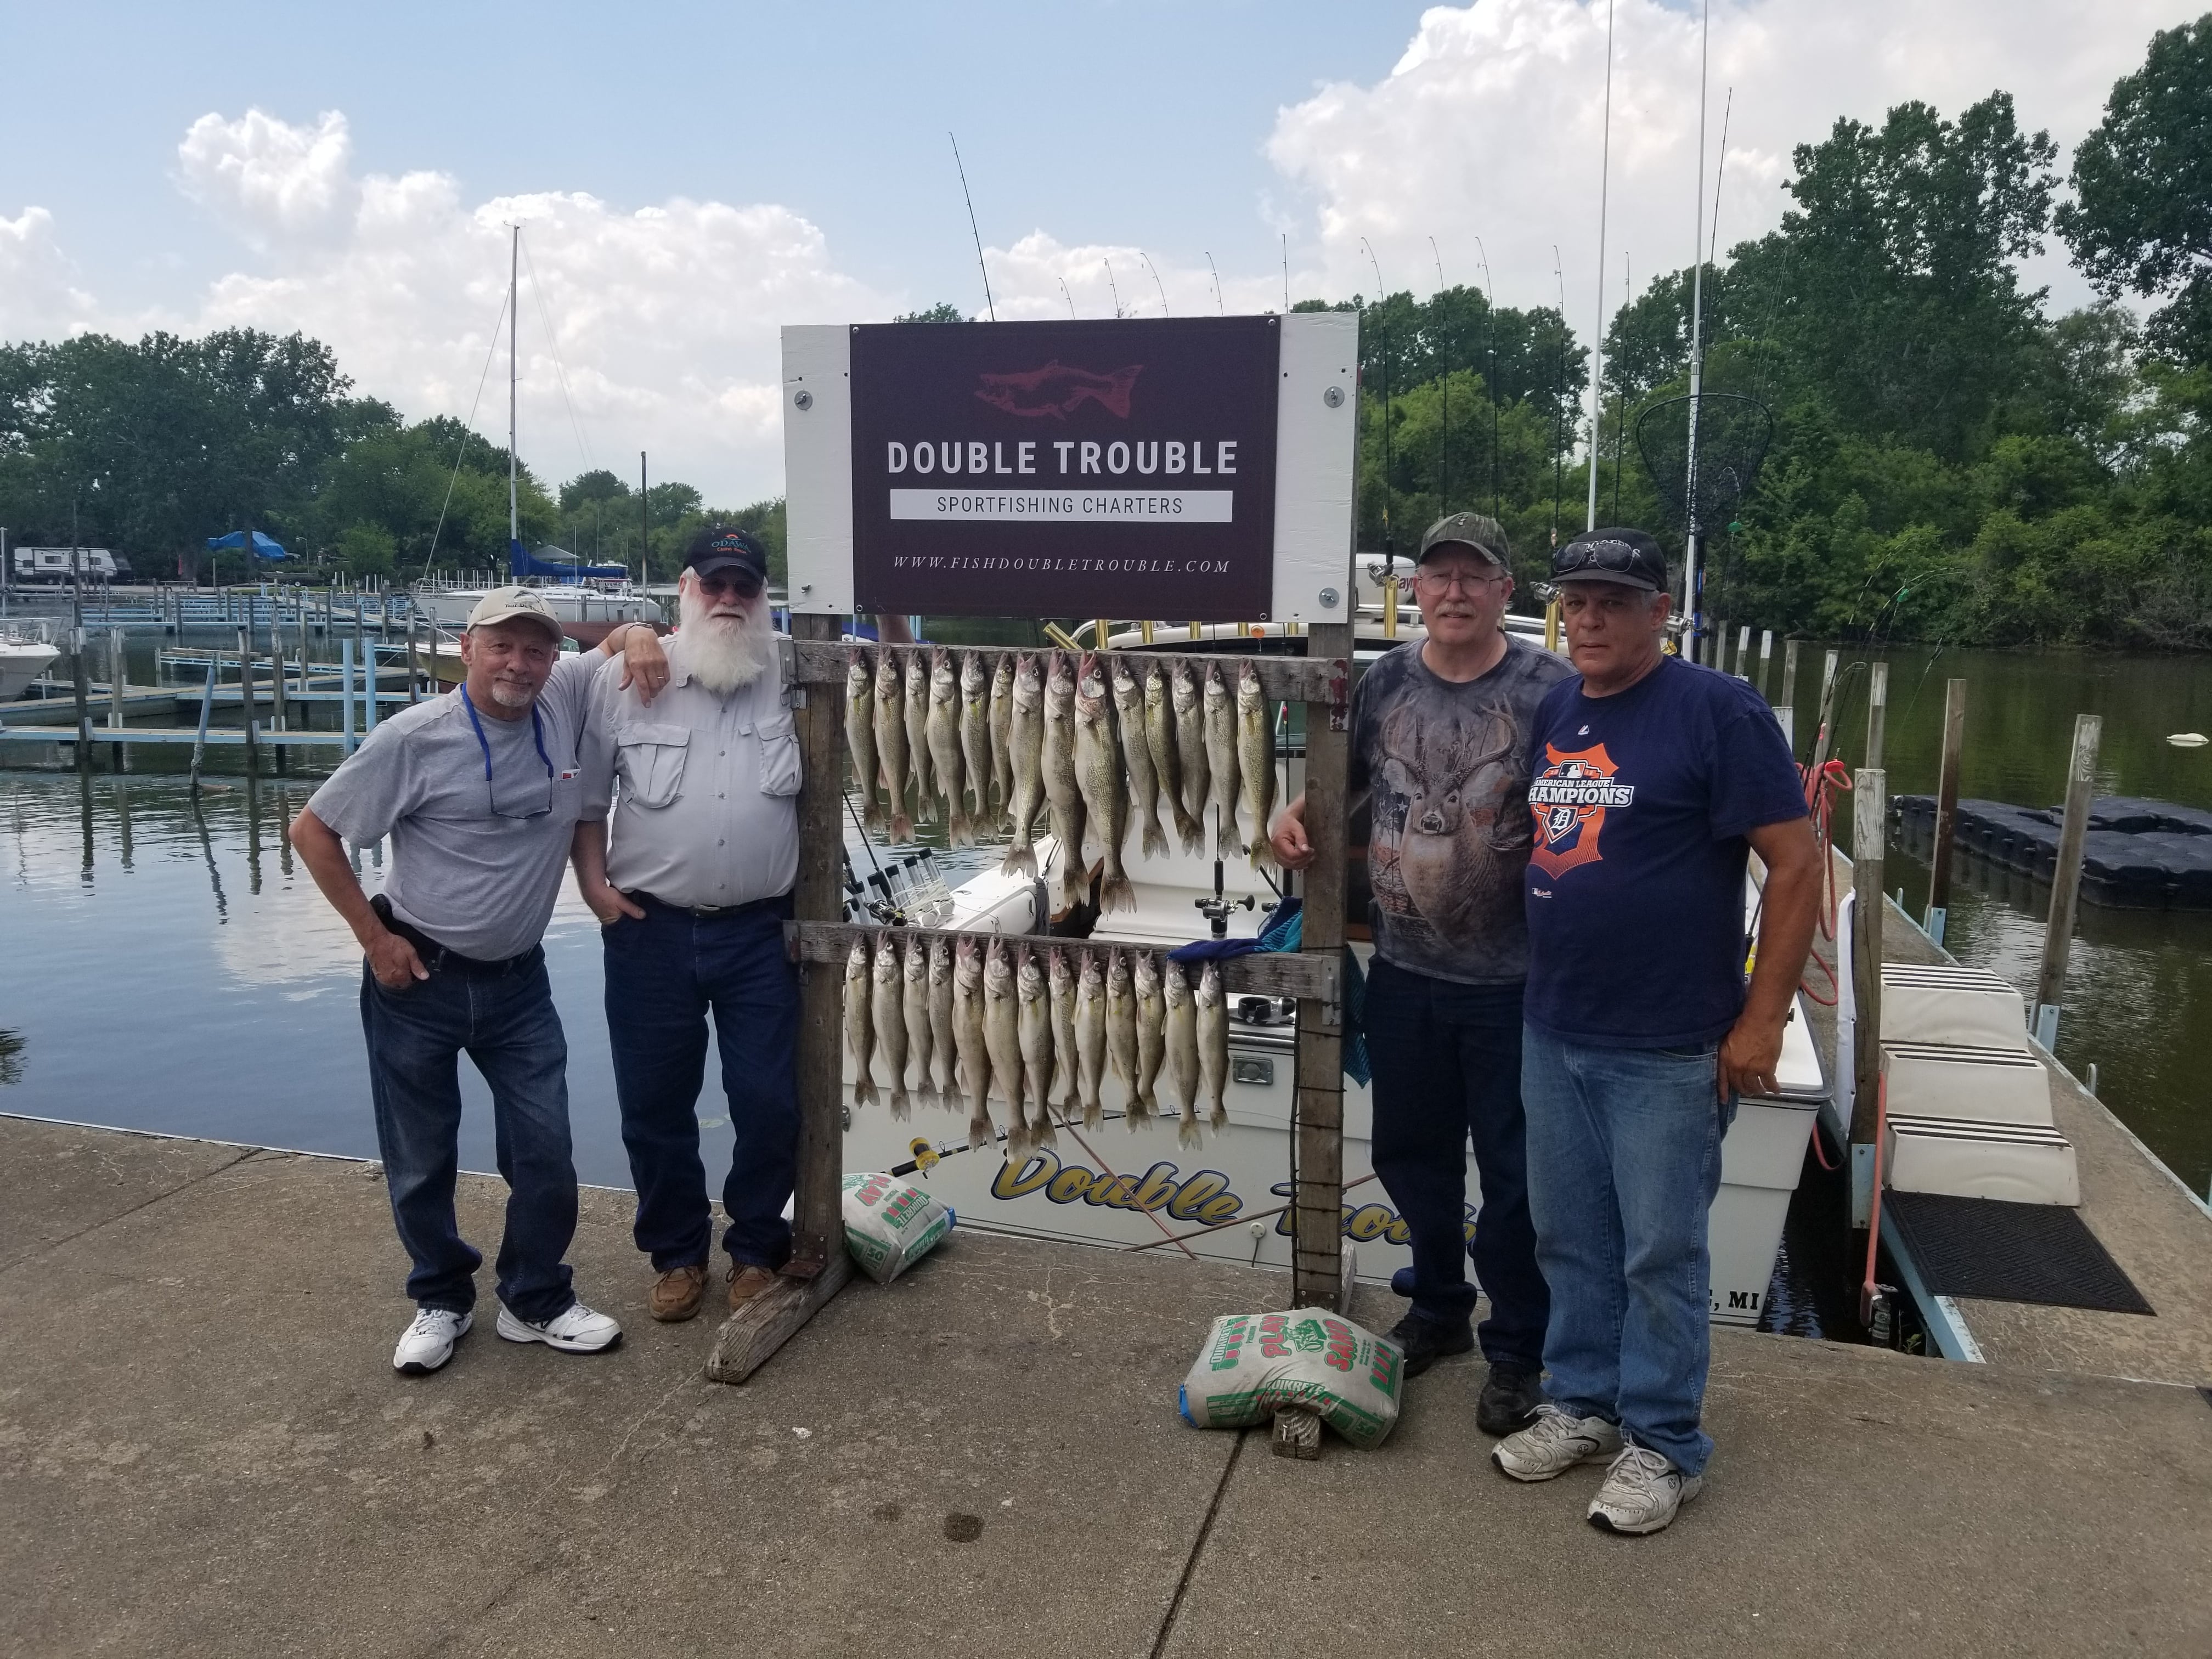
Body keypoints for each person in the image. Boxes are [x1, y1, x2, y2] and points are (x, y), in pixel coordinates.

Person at [1493, 527, 1820, 1536]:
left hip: (1670, 1045)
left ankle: (1666, 1442)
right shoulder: (1558, 705)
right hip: (1553, 1027)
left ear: (1658, 611)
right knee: (1571, 1239)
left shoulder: (1717, 710)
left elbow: (1800, 865)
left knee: (1662, 1254)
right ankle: (1583, 1403)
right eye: (1575, 601)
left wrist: (1762, 1020)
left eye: (1612, 601)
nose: (1587, 618)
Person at [290, 588, 664, 1376]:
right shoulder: (414, 738)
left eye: (535, 650)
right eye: (502, 647)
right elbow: (314, 830)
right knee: (421, 1154)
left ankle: (536, 1298)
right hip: (417, 977)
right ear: (467, 647)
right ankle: (442, 1297)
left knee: (546, 1147)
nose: (519, 664)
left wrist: (639, 634)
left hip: (519, 983)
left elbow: (620, 639)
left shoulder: (556, 698)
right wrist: (374, 938)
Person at [1272, 512, 1571, 1437]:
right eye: (1437, 576)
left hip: (1516, 983)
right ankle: (1440, 1306)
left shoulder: (1550, 688)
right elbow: (1352, 781)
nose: (1452, 592)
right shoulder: (1385, 679)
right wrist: (1295, 810)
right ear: (1416, 590)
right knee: (1411, 1155)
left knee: (1519, 1178)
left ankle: (1519, 1345)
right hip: (1403, 972)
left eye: (1472, 578)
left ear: (1503, 593)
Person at [569, 527, 803, 1323]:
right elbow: (587, 797)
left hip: (761, 933)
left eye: (745, 587)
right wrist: (593, 887)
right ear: (686, 588)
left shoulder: (797, 672)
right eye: (716, 585)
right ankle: (675, 1254)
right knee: (654, 1103)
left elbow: (907, 676)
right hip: (650, 932)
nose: (730, 600)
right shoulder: (631, 674)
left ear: (765, 596)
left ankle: (756, 1248)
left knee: (772, 1101)